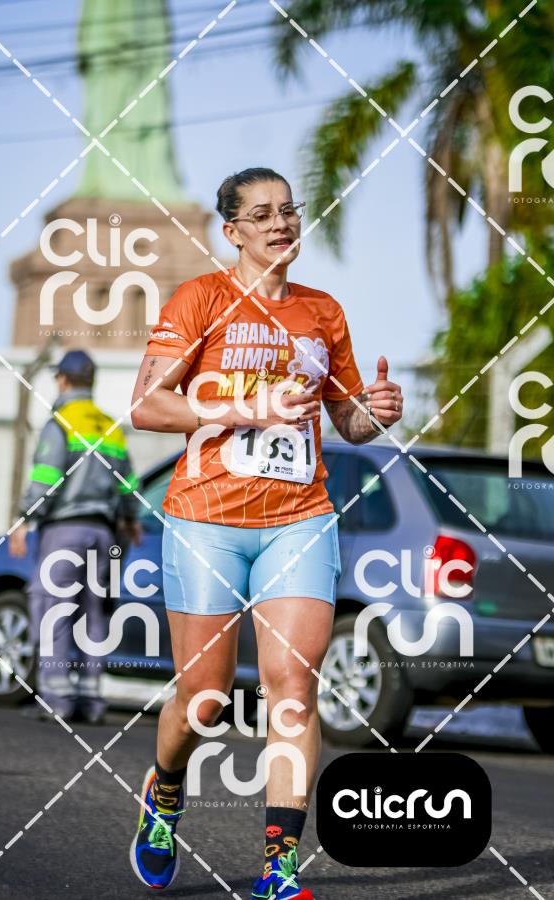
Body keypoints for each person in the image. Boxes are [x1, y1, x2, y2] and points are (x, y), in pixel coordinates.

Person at [129, 168, 404, 898]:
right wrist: (248, 410)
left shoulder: (322, 311)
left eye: (289, 210)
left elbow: (347, 421)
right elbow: (148, 406)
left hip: (299, 520)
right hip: (206, 518)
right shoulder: (201, 299)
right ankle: (164, 792)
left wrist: (376, 412)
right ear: (233, 231)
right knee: (204, 701)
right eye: (262, 214)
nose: (281, 223)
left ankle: (278, 870)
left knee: (293, 691)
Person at [9, 349, 141, 724]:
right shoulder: (109, 425)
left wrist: (24, 519)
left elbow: (46, 479)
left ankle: (57, 699)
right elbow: (128, 483)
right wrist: (129, 518)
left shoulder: (61, 423)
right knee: (92, 613)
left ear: (63, 380)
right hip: (103, 532)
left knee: (54, 609)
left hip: (64, 531)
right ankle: (90, 699)